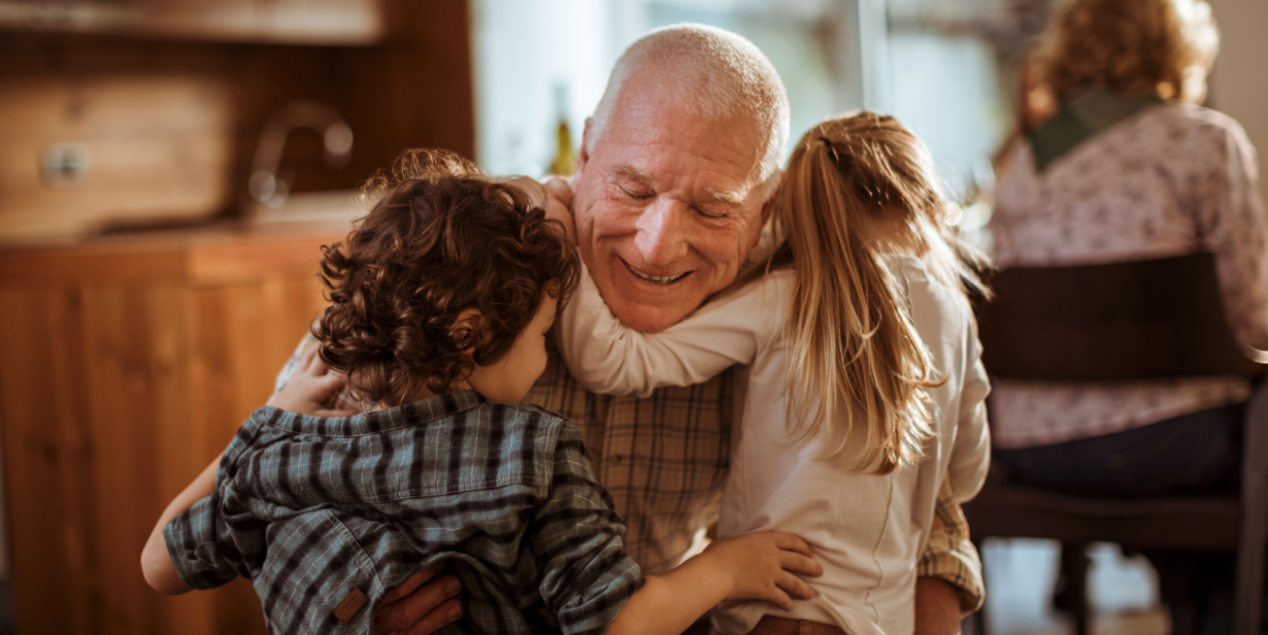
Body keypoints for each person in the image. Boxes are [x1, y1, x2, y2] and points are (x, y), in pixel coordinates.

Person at [277, 24, 985, 635]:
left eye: (712, 209)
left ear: (765, 211)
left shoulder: (789, 300)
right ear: (584, 154)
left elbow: (929, 514)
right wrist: (353, 610)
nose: (656, 244)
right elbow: (277, 487)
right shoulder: (465, 257)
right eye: (634, 189)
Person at [140, 150, 822, 635]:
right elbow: (617, 623)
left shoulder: (294, 439)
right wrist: (727, 569)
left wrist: (272, 420)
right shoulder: (534, 451)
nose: (545, 356)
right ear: (472, 334)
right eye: (543, 335)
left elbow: (160, 564)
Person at [554, 111, 992, 635]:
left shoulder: (782, 295)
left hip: (777, 606)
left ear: (789, 209)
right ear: (924, 201)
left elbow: (609, 361)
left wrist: (556, 227)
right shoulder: (953, 315)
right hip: (886, 618)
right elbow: (967, 474)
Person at [986, 0, 1268, 630]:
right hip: (1163, 445)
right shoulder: (1206, 141)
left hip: (1029, 447)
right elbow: (1250, 323)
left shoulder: (1023, 166)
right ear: (1177, 45)